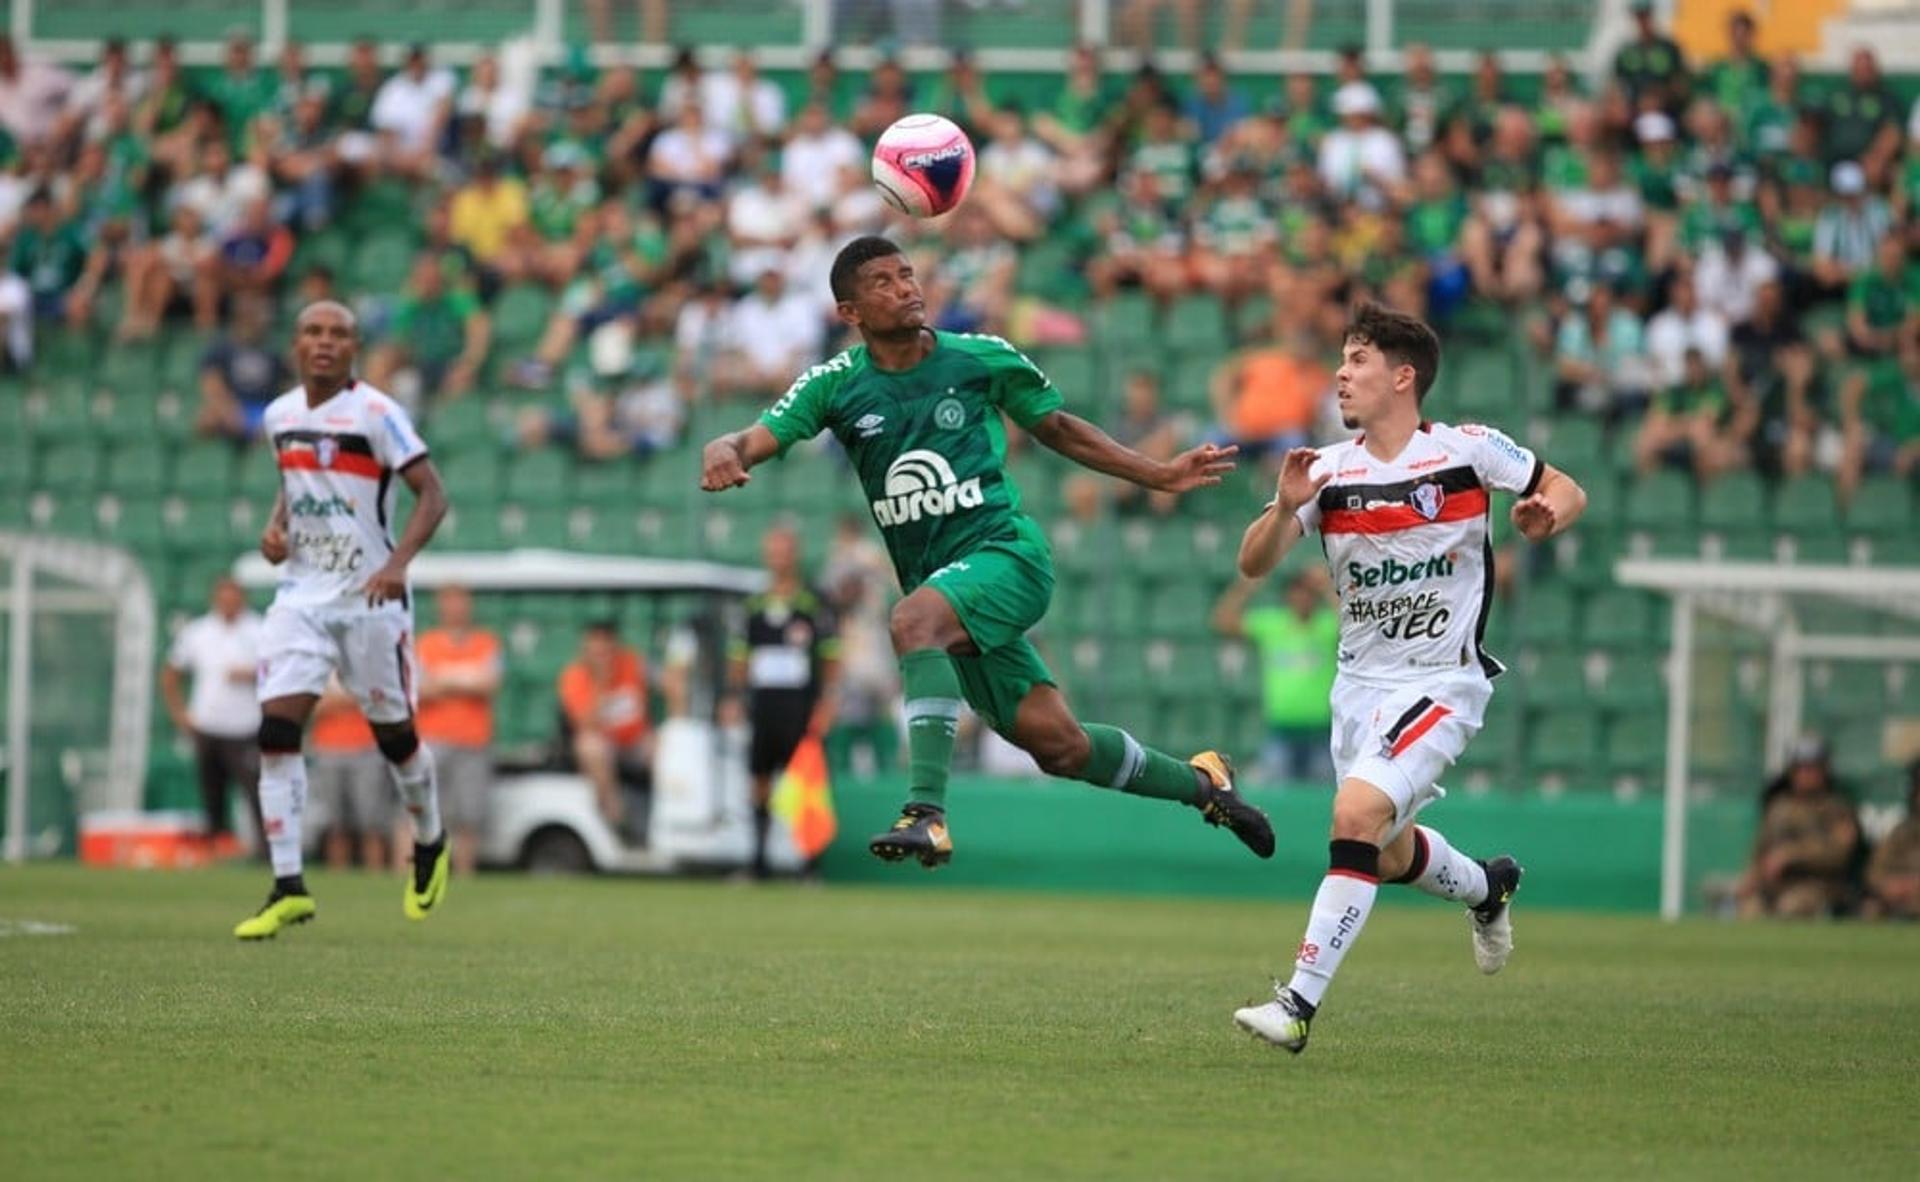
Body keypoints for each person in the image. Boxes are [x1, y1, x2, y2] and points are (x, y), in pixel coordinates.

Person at [698, 235, 1273, 870]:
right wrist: (728, 446)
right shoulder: (835, 385)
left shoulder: (979, 358)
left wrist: (1158, 474)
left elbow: (1058, 427)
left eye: (908, 274)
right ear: (850, 313)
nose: (907, 288)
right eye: (884, 283)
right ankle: (1205, 785)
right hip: (949, 593)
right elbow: (762, 434)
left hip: (1007, 556)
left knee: (911, 620)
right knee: (1061, 748)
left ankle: (926, 814)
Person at [1229, 301, 1588, 1053]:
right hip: (1357, 689)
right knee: (1386, 853)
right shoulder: (1325, 471)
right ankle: (1488, 886)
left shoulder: (1467, 451)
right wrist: (1283, 510)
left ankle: (1296, 1006)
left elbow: (1566, 488)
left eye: (1357, 360)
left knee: (1354, 818)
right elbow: (1253, 564)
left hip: (1441, 681)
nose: (1341, 373)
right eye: (1342, 359)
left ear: (1403, 376)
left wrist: (1545, 515)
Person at [233, 300, 451, 941]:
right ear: (295, 343)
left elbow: (433, 495)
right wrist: (276, 529)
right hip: (301, 597)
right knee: (275, 729)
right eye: (312, 332)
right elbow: (297, 486)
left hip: (369, 601)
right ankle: (288, 884)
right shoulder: (279, 416)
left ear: (354, 347)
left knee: (395, 738)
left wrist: (398, 565)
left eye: (338, 334)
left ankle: (430, 841)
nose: (324, 343)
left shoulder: (379, 414)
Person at [730, 525, 839, 880]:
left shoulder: (814, 603)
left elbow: (831, 658)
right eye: (773, 551)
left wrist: (826, 703)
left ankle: (809, 865)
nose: (778, 557)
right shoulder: (754, 605)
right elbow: (739, 659)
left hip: (801, 708)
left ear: (795, 555)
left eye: (784, 550)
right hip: (763, 706)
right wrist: (734, 696)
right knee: (759, 780)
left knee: (805, 783)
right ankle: (758, 860)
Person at [160, 576, 263, 852]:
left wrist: (254, 674)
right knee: (212, 793)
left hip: (246, 727)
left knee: (255, 792)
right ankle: (216, 848)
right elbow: (171, 673)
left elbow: (280, 671)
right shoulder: (198, 632)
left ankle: (265, 851)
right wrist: (180, 714)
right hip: (207, 725)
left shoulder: (259, 629)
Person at [1212, 570, 1340, 786]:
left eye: (1308, 594)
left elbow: (1356, 625)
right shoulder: (1273, 625)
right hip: (1281, 733)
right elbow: (1222, 621)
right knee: (1277, 798)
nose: (1303, 599)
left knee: (1324, 802)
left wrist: (1328, 587)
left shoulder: (1326, 625)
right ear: (1288, 597)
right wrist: (1247, 586)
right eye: (1298, 594)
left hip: (1321, 734)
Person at [415, 584, 503, 878]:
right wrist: (466, 678)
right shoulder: (426, 643)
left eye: (461, 602)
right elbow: (420, 688)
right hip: (433, 739)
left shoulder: (485, 642)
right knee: (424, 810)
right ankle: (420, 874)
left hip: (473, 740)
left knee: (468, 814)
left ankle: (465, 874)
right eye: (449, 602)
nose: (456, 608)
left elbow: (489, 684)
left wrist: (445, 679)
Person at [1735, 738, 1860, 919]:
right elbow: (1761, 850)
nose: (1806, 775)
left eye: (1811, 769)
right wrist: (1751, 878)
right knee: (1749, 910)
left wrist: (1791, 855)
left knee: (1792, 906)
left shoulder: (1837, 809)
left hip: (1819, 885)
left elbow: (1838, 854)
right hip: (1776, 886)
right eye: (1800, 768)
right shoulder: (1779, 808)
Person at [558, 621, 653, 837]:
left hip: (635, 741)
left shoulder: (631, 663)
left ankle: (670, 817)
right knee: (591, 746)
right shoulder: (574, 676)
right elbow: (585, 723)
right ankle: (617, 820)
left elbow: (667, 681)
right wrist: (601, 685)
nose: (603, 657)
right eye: (596, 652)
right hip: (602, 746)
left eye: (607, 651)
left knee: (666, 745)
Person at [307, 675, 390, 872]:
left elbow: (382, 701)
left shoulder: (368, 663)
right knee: (335, 823)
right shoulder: (320, 667)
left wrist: (335, 699)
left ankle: (375, 876)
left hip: (367, 748)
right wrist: (354, 698)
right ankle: (338, 874)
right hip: (328, 749)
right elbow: (310, 708)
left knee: (372, 823)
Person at [1863, 762, 1920, 920]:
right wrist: (1891, 886)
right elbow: (1875, 871)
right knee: (1871, 910)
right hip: (1899, 901)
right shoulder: (1902, 832)